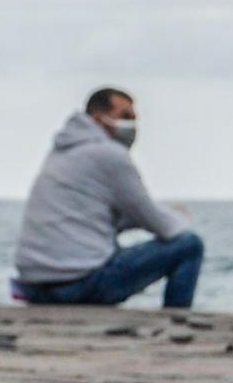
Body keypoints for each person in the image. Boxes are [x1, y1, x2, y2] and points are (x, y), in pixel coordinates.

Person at [11, 88, 204, 308]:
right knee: (189, 244)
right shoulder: (110, 155)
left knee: (111, 250)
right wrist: (180, 217)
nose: (132, 125)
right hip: (78, 286)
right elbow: (161, 224)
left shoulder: (62, 152)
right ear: (98, 118)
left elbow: (94, 218)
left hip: (35, 288)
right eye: (125, 117)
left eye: (134, 119)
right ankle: (177, 320)